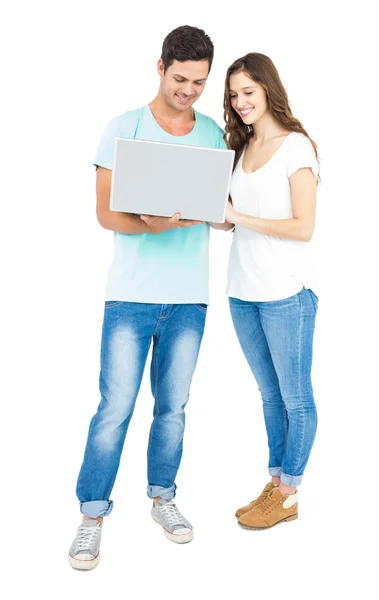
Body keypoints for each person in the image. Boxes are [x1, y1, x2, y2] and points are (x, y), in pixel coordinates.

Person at [68, 25, 232, 570]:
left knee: (174, 409)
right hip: (131, 297)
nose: (189, 90)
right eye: (181, 78)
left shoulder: (212, 133)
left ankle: (163, 498)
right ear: (160, 67)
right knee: (115, 408)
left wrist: (224, 217)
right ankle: (92, 515)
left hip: (189, 297)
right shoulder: (125, 127)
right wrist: (151, 225)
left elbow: (219, 204)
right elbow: (103, 213)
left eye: (200, 82)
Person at [223, 53, 320, 530]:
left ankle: (289, 492)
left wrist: (240, 217)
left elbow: (304, 227)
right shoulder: (241, 148)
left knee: (295, 398)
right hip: (242, 290)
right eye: (234, 94)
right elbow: (234, 219)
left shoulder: (295, 147)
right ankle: (276, 483)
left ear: (267, 90)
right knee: (268, 395)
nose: (240, 102)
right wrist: (219, 215)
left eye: (248, 92)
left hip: (284, 293)